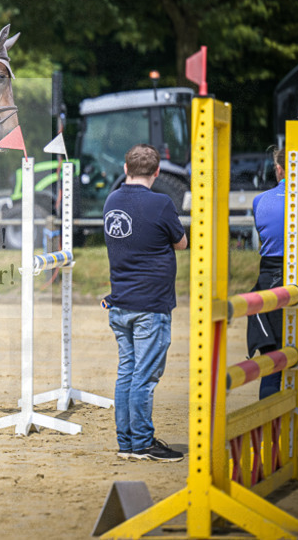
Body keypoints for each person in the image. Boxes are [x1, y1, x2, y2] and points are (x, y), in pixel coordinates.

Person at [102, 144, 188, 462]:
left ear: (126, 169)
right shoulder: (161, 203)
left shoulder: (112, 200)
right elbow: (181, 242)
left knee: (127, 372)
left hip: (120, 301)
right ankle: (142, 442)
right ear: (157, 172)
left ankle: (126, 442)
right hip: (150, 304)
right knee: (144, 376)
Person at [246, 145, 286, 399]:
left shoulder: (260, 200)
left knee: (272, 361)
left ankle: (269, 431)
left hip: (271, 277)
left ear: (278, 169)